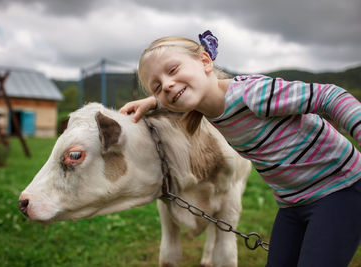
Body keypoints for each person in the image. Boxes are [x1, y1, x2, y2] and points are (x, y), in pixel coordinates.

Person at [119, 30, 361, 266]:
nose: (168, 85)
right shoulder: (204, 106)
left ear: (205, 61)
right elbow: (181, 94)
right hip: (292, 202)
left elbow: (330, 96)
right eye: (157, 86)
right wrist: (151, 101)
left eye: (173, 70)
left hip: (340, 188)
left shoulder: (251, 94)